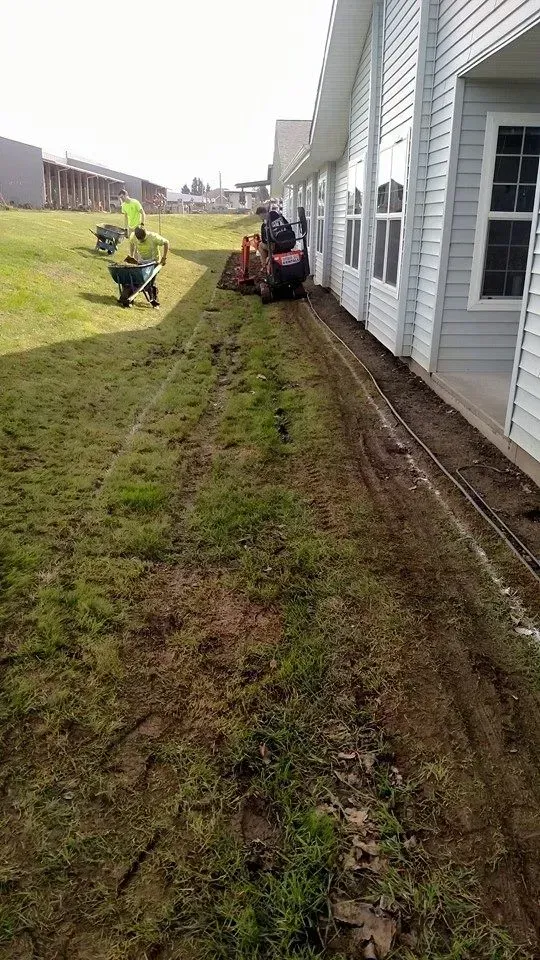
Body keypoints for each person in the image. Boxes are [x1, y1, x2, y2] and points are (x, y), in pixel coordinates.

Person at [129, 226, 169, 308]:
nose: (141, 241)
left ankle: (155, 302)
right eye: (139, 239)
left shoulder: (153, 237)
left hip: (153, 263)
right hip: (141, 262)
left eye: (142, 239)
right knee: (136, 281)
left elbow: (166, 242)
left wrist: (164, 258)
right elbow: (131, 243)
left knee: (150, 283)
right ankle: (129, 299)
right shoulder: (133, 236)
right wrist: (132, 256)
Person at [256, 205, 296, 270]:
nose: (260, 218)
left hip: (277, 246)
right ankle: (269, 261)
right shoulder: (280, 217)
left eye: (259, 216)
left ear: (261, 214)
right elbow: (289, 227)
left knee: (260, 245)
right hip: (289, 242)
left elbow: (264, 240)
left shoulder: (265, 225)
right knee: (270, 244)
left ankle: (265, 266)